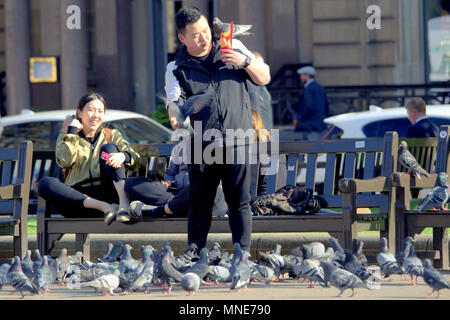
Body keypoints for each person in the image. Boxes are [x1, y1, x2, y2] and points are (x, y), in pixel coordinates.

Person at [164, 6, 271, 252]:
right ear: (182, 38)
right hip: (202, 145)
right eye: (195, 35)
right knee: (200, 203)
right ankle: (195, 255)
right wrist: (175, 116)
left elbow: (264, 77)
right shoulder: (176, 68)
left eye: (205, 31)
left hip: (239, 139)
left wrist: (244, 62)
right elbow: (174, 102)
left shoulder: (230, 45)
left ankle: (241, 257)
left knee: (240, 203)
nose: (203, 38)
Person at [36, 93, 141, 225]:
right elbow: (66, 161)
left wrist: (123, 156)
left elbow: (136, 160)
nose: (96, 115)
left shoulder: (111, 135)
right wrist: (72, 133)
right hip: (78, 201)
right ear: (79, 113)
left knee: (108, 149)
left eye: (100, 111)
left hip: (109, 195)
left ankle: (123, 204)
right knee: (45, 183)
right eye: (90, 110)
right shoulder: (67, 137)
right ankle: (104, 207)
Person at [293, 66, 329, 140]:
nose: (300, 77)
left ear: (307, 75)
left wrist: (300, 119)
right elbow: (326, 107)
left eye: (301, 75)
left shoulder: (309, 89)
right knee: (318, 148)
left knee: (309, 148)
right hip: (320, 125)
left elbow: (308, 106)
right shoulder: (321, 87)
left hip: (310, 125)